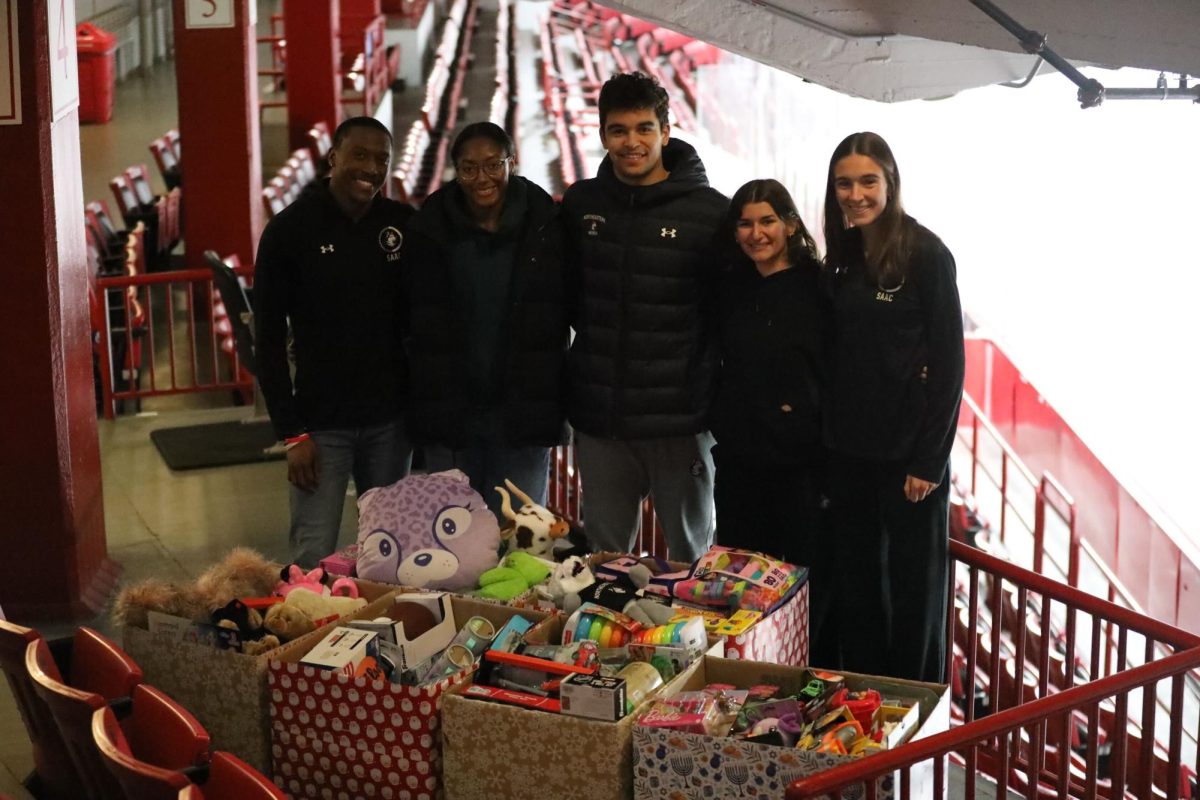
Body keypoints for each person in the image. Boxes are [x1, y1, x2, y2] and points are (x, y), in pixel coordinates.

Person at [562, 71, 728, 563]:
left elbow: (724, 317)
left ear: (666, 132)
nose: (631, 142)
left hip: (680, 423)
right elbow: (569, 298)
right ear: (602, 135)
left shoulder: (709, 213)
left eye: (643, 129)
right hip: (601, 421)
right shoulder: (581, 204)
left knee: (692, 560)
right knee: (605, 563)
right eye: (618, 130)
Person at [822, 131, 965, 683]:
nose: (855, 194)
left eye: (867, 181)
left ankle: (917, 705)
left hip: (909, 462)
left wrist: (928, 461)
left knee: (913, 591)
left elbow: (950, 367)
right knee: (859, 586)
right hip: (850, 454)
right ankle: (865, 700)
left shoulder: (926, 254)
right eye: (844, 183)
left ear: (890, 183)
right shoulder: (844, 255)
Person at [254, 116, 414, 569]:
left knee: (389, 554)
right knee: (313, 555)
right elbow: (266, 341)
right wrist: (292, 434)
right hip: (320, 428)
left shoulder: (402, 225)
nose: (371, 168)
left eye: (382, 158)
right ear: (333, 157)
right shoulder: (289, 231)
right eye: (359, 155)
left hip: (390, 425)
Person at [401, 122, 568, 519]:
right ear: (455, 171)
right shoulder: (428, 230)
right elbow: (412, 319)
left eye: (493, 165)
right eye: (469, 168)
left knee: (523, 537)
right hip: (453, 415)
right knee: (454, 540)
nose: (482, 178)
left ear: (513, 162)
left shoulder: (547, 225)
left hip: (523, 412)